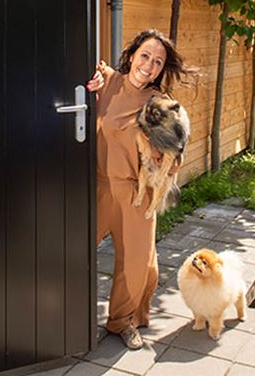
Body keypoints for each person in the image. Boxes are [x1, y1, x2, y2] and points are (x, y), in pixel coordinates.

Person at [85, 29, 195, 349]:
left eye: (158, 62)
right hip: (98, 187)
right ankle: (61, 314)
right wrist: (88, 85)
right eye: (145, 56)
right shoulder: (107, 81)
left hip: (136, 194)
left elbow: (175, 152)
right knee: (70, 251)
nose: (149, 65)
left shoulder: (159, 104)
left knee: (135, 263)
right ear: (132, 55)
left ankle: (123, 321)